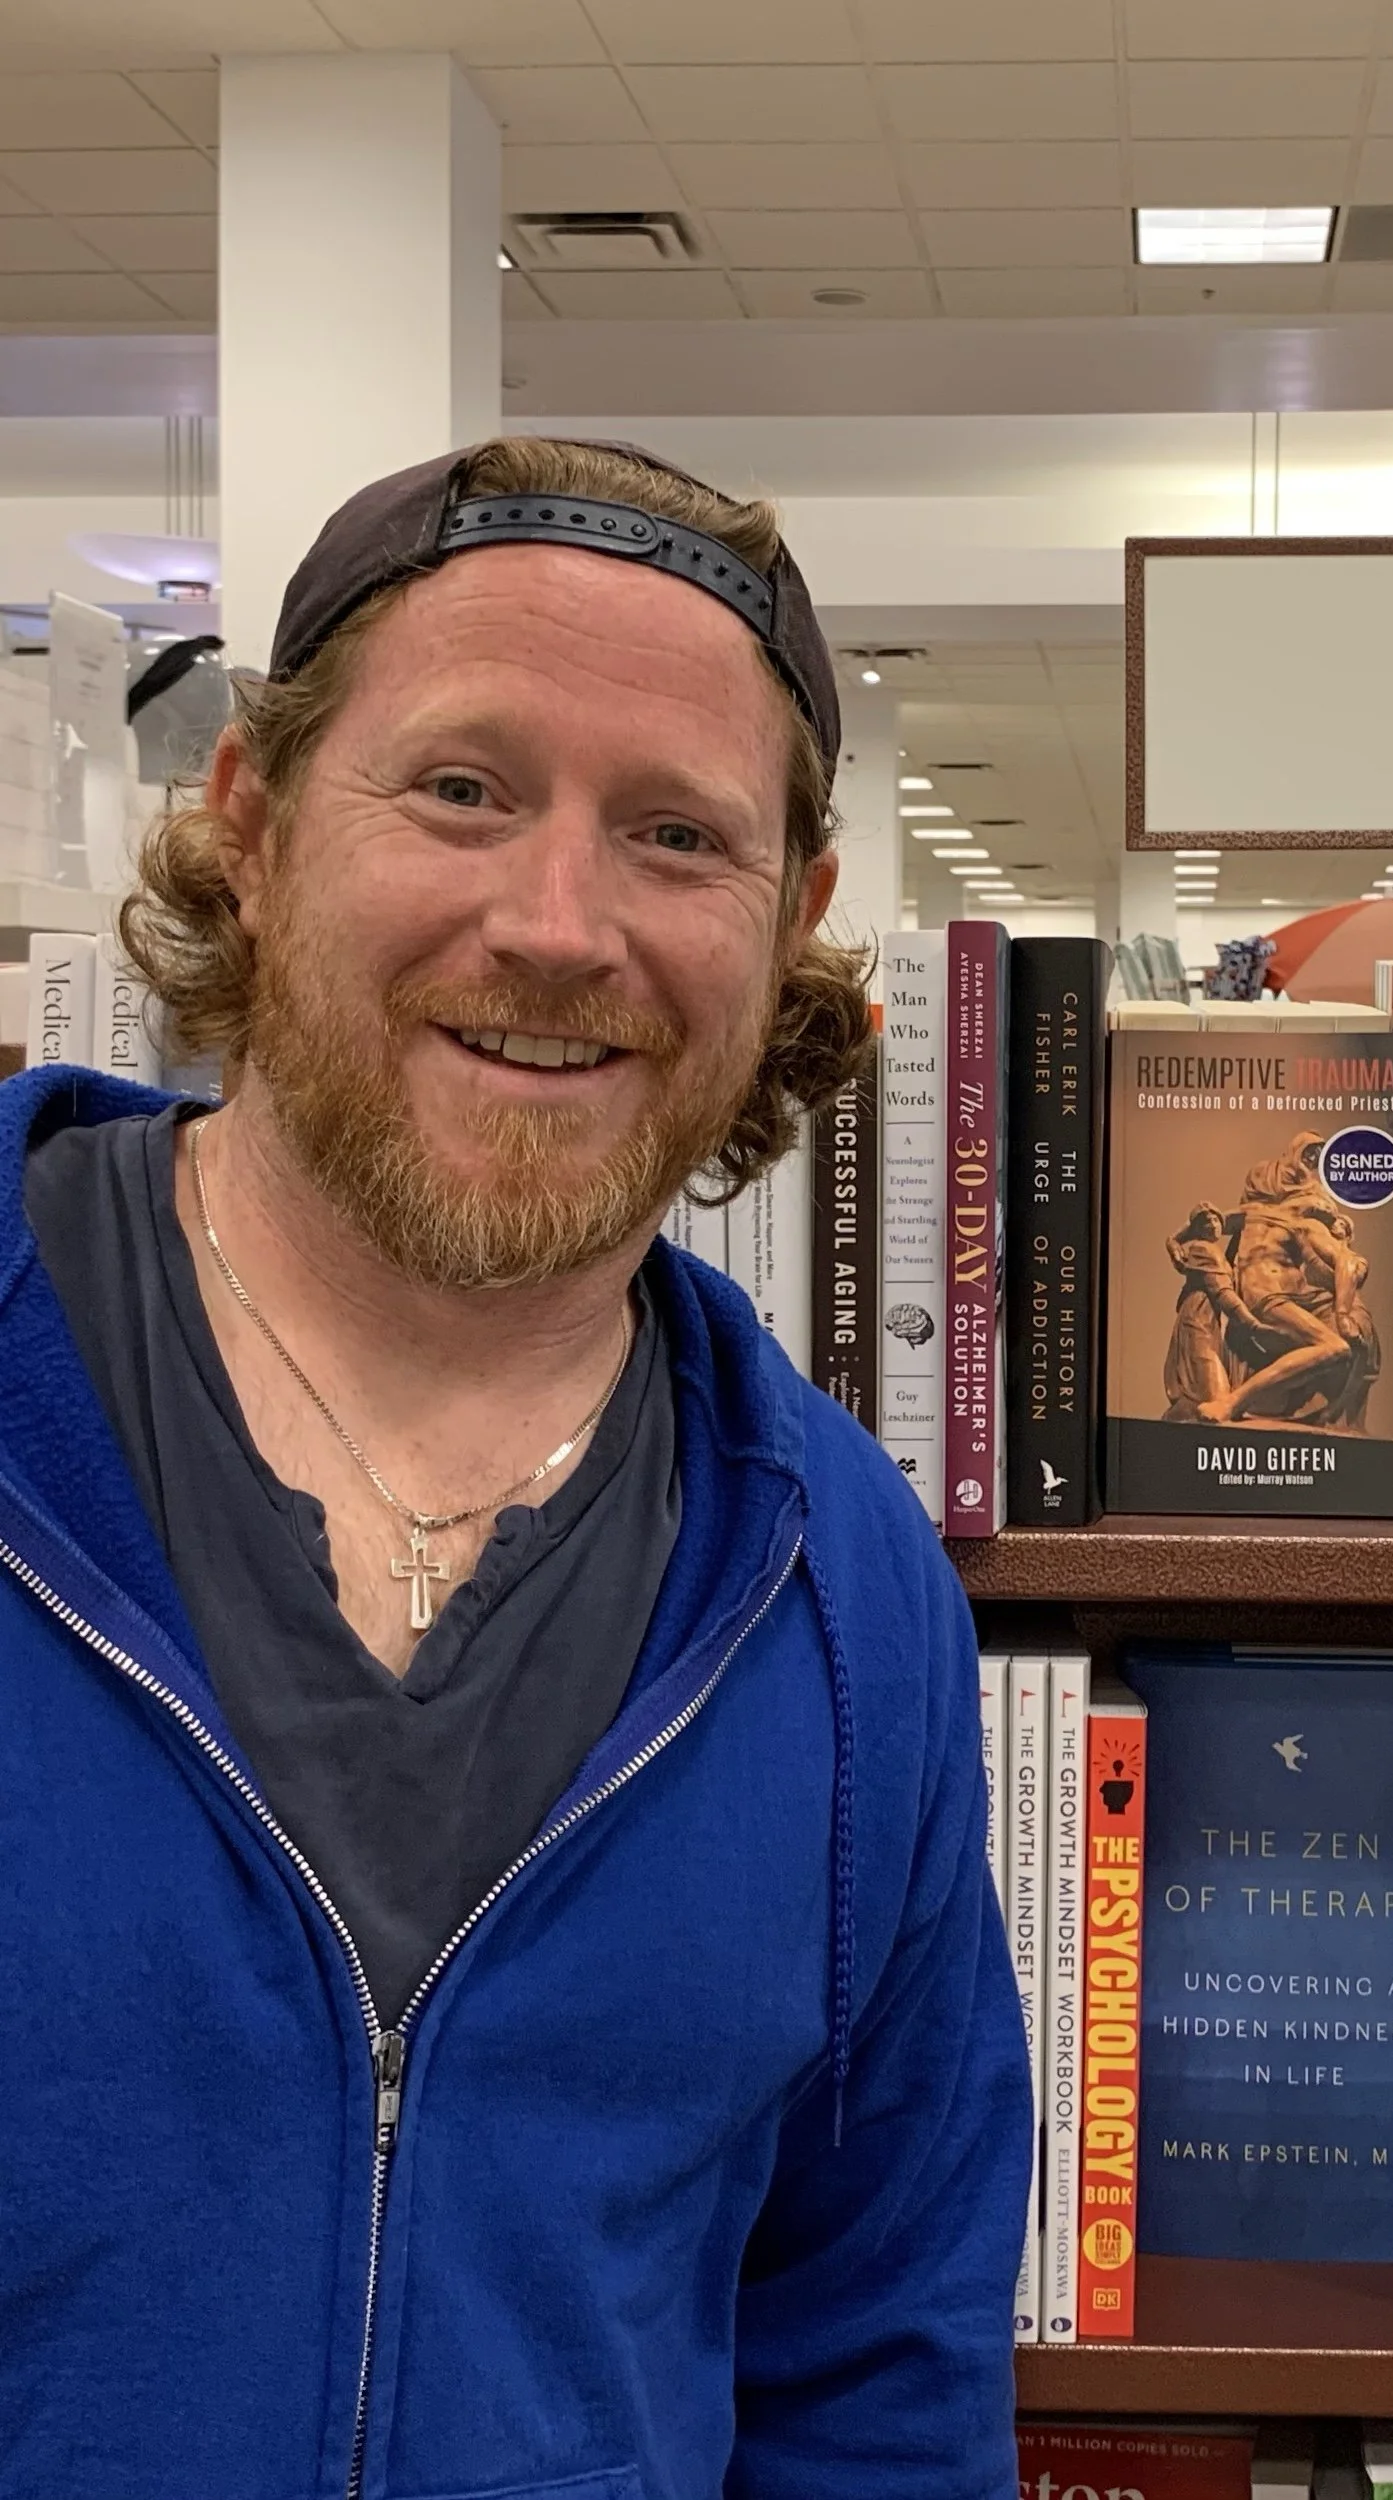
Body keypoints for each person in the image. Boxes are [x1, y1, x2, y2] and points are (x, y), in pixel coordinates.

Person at [0, 438, 1027, 2497]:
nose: (559, 926)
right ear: (253, 821)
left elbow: (873, 2379)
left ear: (792, 919)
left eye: (677, 834)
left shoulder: (839, 1585)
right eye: (464, 789)